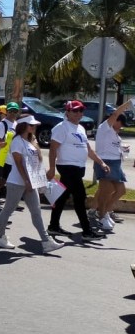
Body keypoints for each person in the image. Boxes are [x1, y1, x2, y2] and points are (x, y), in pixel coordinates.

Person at [0, 116, 64, 253]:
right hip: (17, 182)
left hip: (32, 182)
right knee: (8, 209)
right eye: (31, 125)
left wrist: (40, 178)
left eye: (35, 125)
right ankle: (0, 237)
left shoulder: (32, 141)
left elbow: (36, 163)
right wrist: (26, 181)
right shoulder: (17, 141)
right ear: (23, 126)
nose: (34, 127)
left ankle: (46, 241)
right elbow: (19, 164)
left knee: (36, 211)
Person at [46, 101, 108, 240]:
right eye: (75, 111)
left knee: (62, 198)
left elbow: (89, 150)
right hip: (67, 167)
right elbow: (53, 150)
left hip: (78, 168)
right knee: (80, 198)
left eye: (81, 111)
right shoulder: (61, 128)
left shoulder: (80, 128)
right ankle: (87, 231)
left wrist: (101, 163)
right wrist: (51, 168)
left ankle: (53, 226)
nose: (79, 114)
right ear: (67, 112)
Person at [90, 100, 133, 230]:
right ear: (114, 120)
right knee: (106, 190)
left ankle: (105, 212)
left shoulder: (114, 133)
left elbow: (113, 146)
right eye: (121, 123)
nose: (121, 126)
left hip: (115, 163)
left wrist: (123, 150)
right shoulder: (105, 127)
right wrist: (128, 104)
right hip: (105, 162)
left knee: (120, 190)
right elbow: (115, 114)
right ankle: (102, 216)